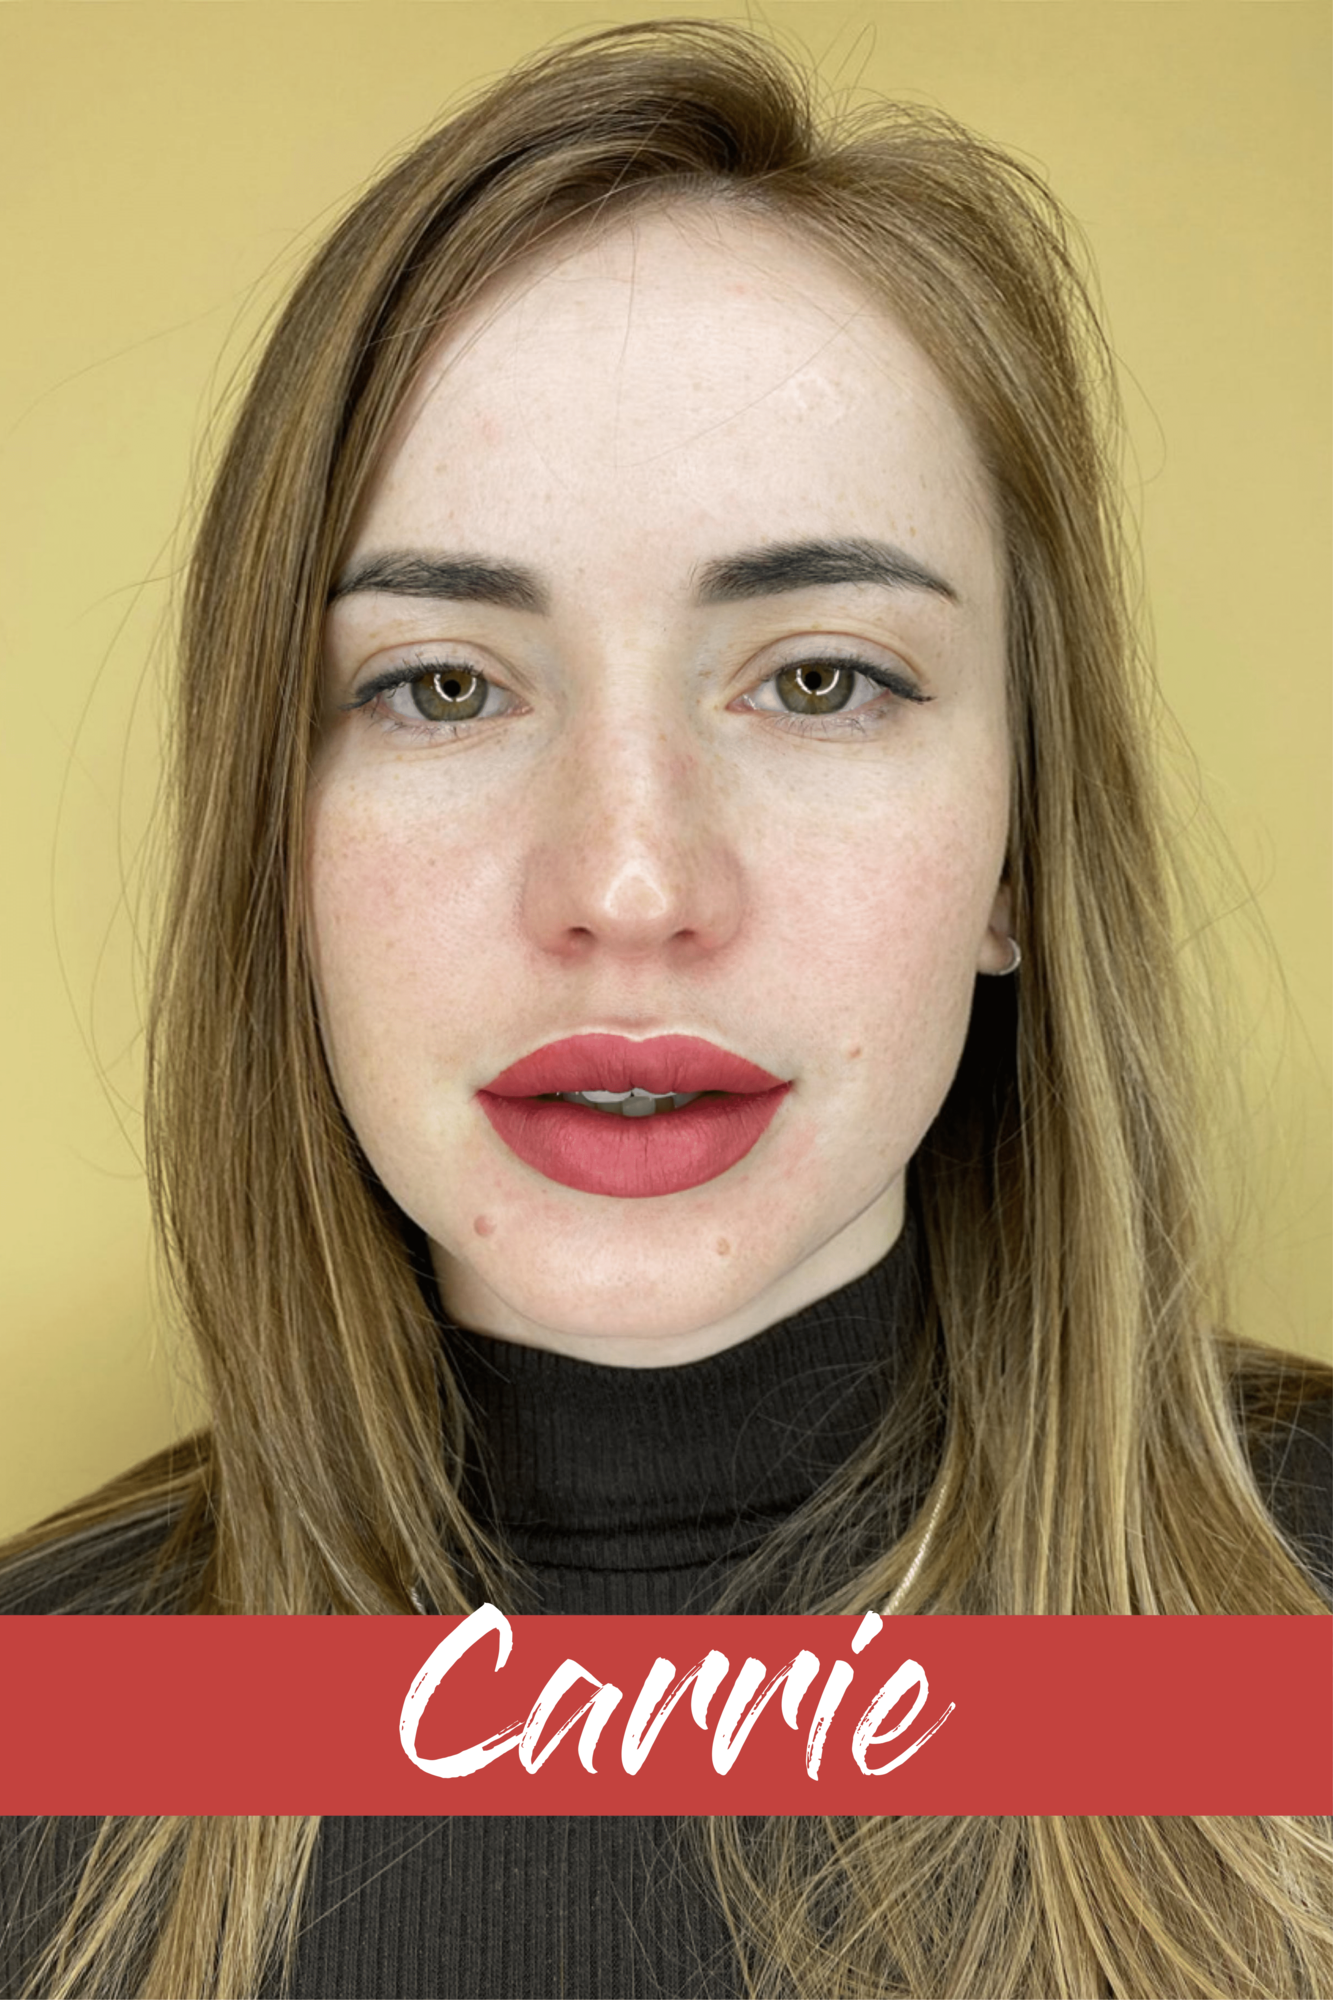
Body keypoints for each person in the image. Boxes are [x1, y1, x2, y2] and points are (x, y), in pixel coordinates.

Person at [1, 18, 1329, 2000]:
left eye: (819, 680)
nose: (629, 890)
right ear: (276, 844)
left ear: (1022, 845)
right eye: (444, 686)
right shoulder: (42, 1743)